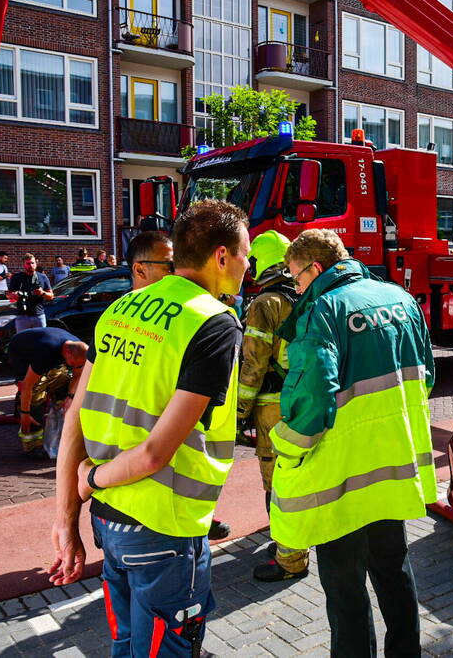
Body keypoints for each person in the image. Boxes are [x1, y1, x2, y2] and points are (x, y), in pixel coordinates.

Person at [49, 199, 249, 657]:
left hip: (109, 523)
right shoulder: (214, 324)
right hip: (164, 527)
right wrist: (92, 477)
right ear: (221, 257)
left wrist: (66, 521)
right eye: (245, 252)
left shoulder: (121, 310)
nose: (248, 264)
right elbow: (156, 453)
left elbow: (74, 419)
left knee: (126, 644)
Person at [271, 229, 435, 656]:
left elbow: (311, 402)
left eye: (297, 279)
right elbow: (428, 378)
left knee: (345, 587)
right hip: (392, 468)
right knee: (394, 571)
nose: (297, 288)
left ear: (316, 268)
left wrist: (286, 451)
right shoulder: (400, 298)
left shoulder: (322, 310)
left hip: (341, 476)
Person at [125, 230, 232, 542]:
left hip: (141, 488)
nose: (179, 273)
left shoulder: (188, 314)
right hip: (153, 496)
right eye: (169, 266)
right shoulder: (124, 315)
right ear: (140, 269)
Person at [238, 231, 308, 583]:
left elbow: (252, 364)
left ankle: (291, 558)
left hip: (273, 406)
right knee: (299, 473)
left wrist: (237, 411)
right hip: (305, 401)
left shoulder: (265, 304)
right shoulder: (305, 293)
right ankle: (292, 541)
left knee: (277, 481)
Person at [7, 326, 88, 458]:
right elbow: (27, 386)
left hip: (50, 352)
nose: (74, 366)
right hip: (20, 352)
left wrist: (70, 397)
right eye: (73, 363)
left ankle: (64, 437)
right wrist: (25, 414)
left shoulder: (78, 349)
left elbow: (77, 376)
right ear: (67, 353)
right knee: (34, 394)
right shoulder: (45, 353)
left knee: (62, 380)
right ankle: (33, 445)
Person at [7, 253, 54, 332]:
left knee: (41, 341)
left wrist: (42, 293)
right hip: (22, 316)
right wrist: (14, 295)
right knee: (22, 341)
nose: (31, 265)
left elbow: (51, 296)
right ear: (24, 265)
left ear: (36, 263)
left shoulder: (42, 277)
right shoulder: (17, 277)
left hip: (39, 315)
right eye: (28, 263)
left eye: (32, 263)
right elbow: (8, 294)